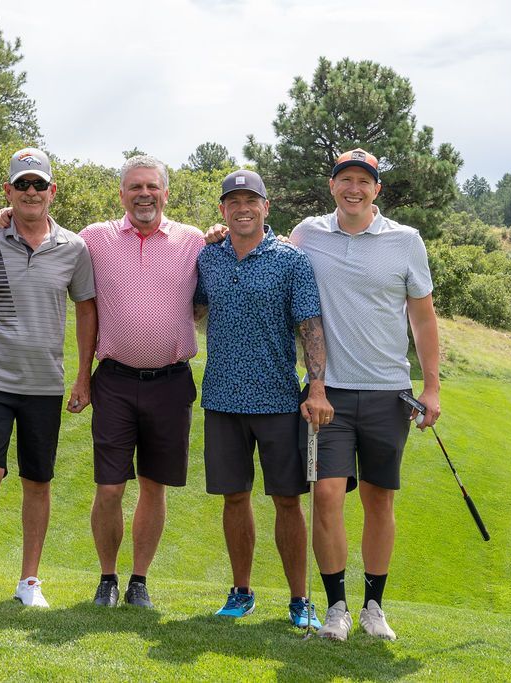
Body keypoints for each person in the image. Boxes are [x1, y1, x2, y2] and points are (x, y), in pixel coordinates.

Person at [0, 154, 205, 609]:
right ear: (121, 194)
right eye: (134, 188)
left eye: (152, 187)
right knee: (109, 486)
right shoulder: (94, 239)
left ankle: (138, 581)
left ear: (166, 193)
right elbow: (43, 226)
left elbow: (234, 250)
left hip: (171, 381)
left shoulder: (195, 241)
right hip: (116, 381)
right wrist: (7, 215)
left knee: (153, 485)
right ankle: (107, 578)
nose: (143, 195)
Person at [290, 148, 442, 642]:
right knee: (328, 495)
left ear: (377, 190)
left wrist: (433, 386)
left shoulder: (406, 241)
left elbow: (422, 318)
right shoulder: (307, 235)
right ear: (332, 186)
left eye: (364, 181)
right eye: (345, 179)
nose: (353, 188)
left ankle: (374, 607)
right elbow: (266, 256)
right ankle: (336, 607)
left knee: (380, 500)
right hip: (326, 393)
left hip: (388, 393)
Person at [0, 147, 98, 615]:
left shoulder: (74, 247)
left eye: (39, 185)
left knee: (38, 480)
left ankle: (29, 580)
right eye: (22, 185)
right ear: (8, 191)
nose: (31, 192)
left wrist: (82, 377)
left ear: (53, 191)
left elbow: (87, 310)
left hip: (44, 384)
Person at [193, 170, 333, 630]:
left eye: (251, 200)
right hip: (221, 399)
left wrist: (316, 388)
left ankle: (299, 600)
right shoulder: (208, 257)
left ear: (266, 207)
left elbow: (310, 327)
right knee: (235, 498)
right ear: (223, 210)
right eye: (233, 202)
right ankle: (241, 592)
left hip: (277, 400)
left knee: (288, 500)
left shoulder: (291, 260)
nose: (242, 208)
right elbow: (194, 309)